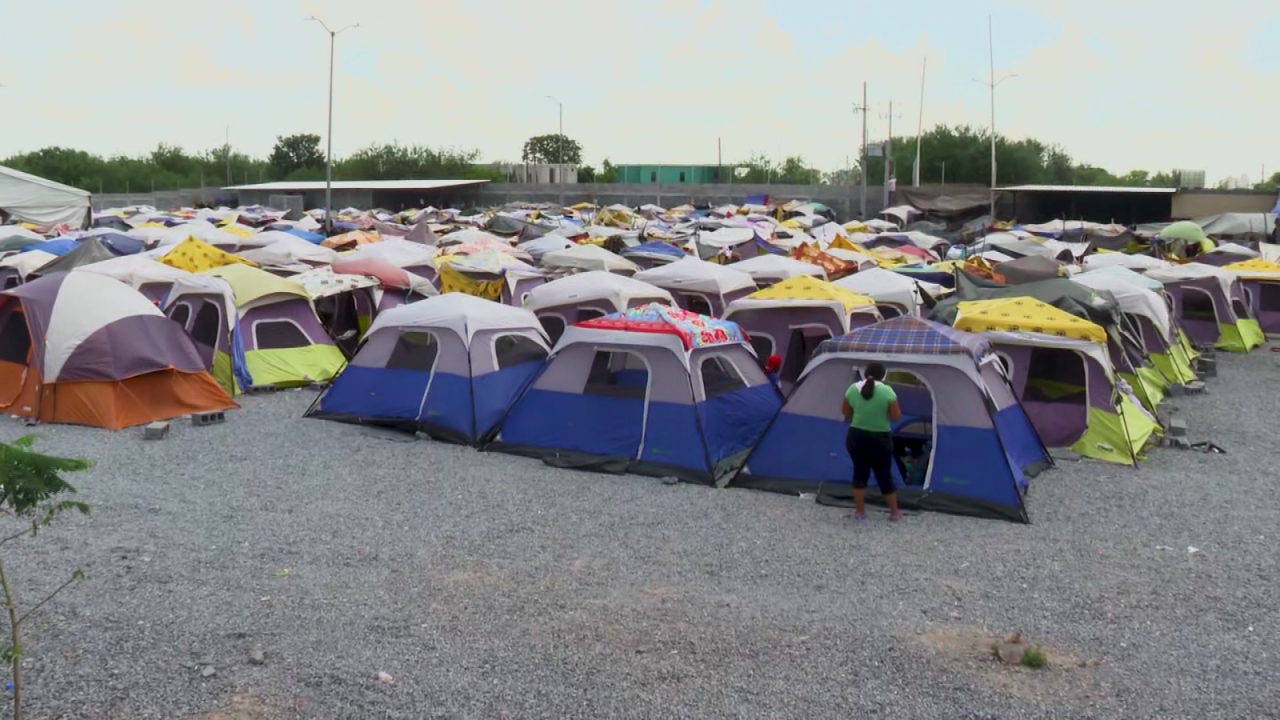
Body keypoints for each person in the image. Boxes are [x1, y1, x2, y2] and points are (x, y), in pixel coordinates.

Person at [841, 362, 903, 521]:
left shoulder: (853, 389)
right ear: (883, 375)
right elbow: (896, 417)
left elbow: (845, 412)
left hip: (856, 436)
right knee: (884, 474)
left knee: (860, 472)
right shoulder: (887, 391)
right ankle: (894, 513)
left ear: (865, 373)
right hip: (880, 438)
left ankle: (860, 512)